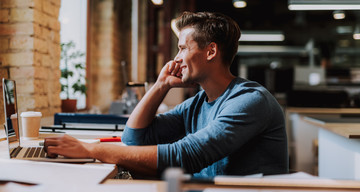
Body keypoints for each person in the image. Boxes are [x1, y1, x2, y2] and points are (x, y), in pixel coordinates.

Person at [44, 11, 288, 178]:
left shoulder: (250, 100)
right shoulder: (198, 103)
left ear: (210, 51)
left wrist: (91, 150)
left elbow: (186, 155)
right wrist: (161, 85)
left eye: (182, 48)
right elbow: (134, 138)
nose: (177, 58)